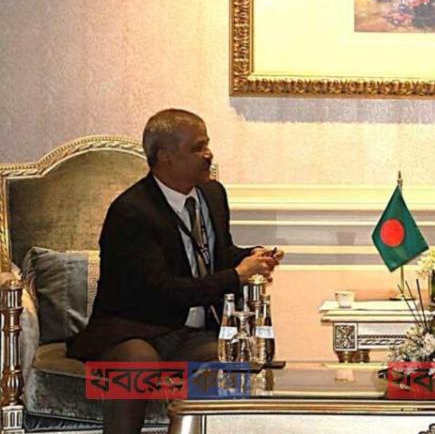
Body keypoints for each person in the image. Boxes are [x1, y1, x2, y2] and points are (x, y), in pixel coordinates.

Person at [67, 109, 283, 434]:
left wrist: (251, 256)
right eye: (198, 147)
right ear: (166, 156)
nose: (208, 154)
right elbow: (163, 289)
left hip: (192, 334)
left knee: (230, 360)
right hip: (135, 330)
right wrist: (236, 276)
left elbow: (216, 254)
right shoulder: (131, 212)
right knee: (138, 364)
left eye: (207, 144)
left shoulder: (212, 194)